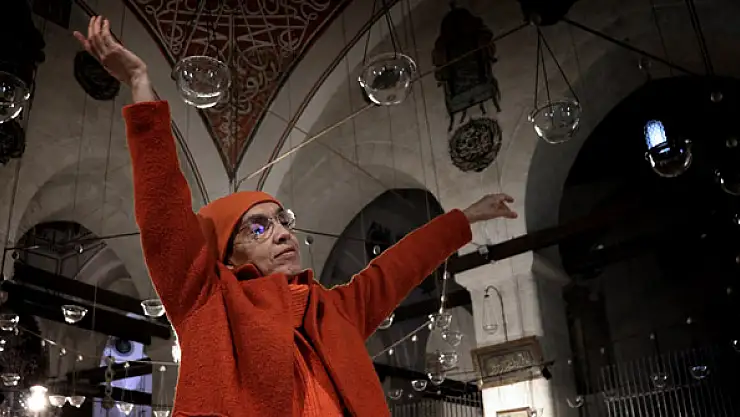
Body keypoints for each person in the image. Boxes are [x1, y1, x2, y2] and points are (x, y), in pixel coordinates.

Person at [74, 16, 518, 417]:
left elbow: (397, 268)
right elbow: (164, 212)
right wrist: (139, 84)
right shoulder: (209, 301)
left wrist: (463, 219)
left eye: (283, 220)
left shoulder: (333, 311)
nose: (284, 233)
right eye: (259, 227)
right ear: (228, 254)